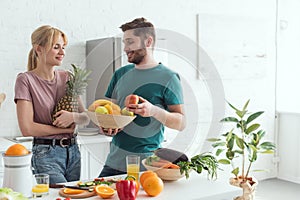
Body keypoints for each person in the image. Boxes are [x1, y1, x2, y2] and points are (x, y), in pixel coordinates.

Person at [98, 17, 186, 177]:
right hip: (113, 162)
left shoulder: (169, 77)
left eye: (130, 42)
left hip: (147, 166)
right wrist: (107, 126)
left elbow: (181, 123)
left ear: (148, 41)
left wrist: (153, 111)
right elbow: (110, 113)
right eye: (124, 43)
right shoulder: (120, 74)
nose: (125, 48)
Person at [14, 25, 89, 184]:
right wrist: (64, 129)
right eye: (56, 47)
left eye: (63, 47)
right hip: (46, 153)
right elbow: (27, 128)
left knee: (71, 194)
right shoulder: (25, 80)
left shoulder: (68, 77)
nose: (62, 52)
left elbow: (86, 117)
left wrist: (72, 116)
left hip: (73, 151)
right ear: (39, 49)